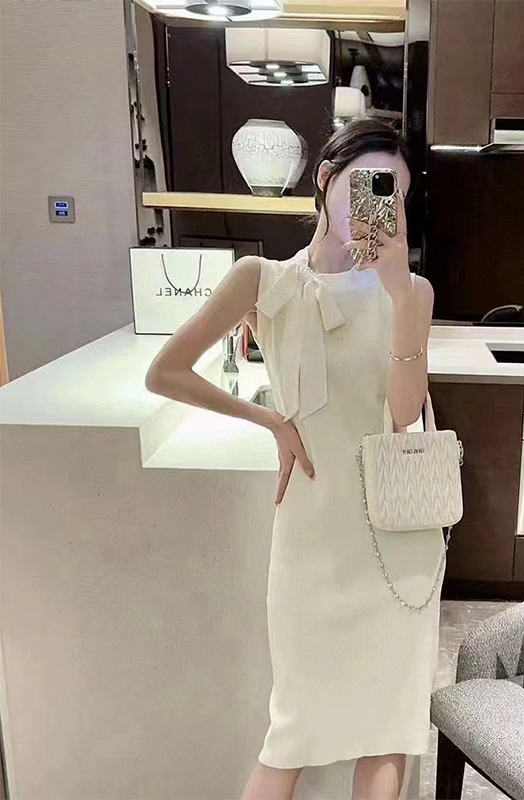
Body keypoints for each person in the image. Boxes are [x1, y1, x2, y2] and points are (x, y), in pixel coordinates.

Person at [144, 119, 442, 800]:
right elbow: (166, 372)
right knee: (292, 733)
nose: (376, 204)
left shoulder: (413, 293)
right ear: (326, 179)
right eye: (366, 184)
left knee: (388, 729)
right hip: (310, 544)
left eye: (392, 194)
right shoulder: (262, 280)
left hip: (398, 544)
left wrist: (399, 295)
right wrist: (270, 421)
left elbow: (403, 414)